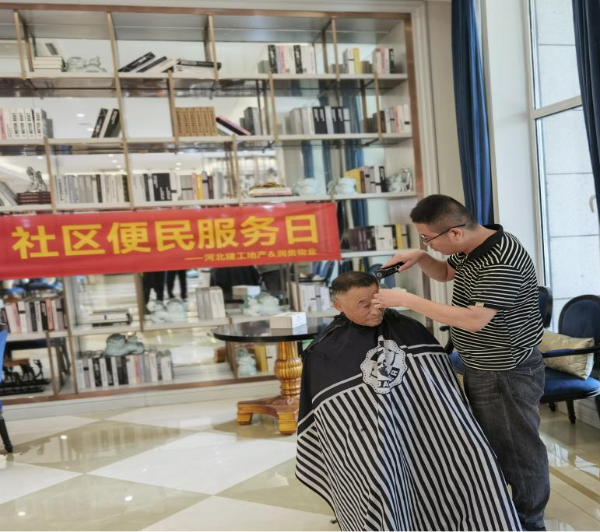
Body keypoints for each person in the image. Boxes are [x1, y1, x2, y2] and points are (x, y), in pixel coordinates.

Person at [372, 195, 548, 532]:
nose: (428, 243)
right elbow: (445, 273)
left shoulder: (501, 260)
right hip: (480, 364)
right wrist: (421, 257)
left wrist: (408, 300)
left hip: (505, 371)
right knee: (496, 445)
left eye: (428, 238)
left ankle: (530, 523)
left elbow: (473, 320)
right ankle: (505, 515)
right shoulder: (474, 246)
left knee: (518, 451)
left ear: (454, 232)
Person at [296, 271, 522, 532]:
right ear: (338, 305)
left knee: (475, 456)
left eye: (377, 300)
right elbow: (331, 417)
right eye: (364, 305)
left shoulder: (410, 329)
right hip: (369, 438)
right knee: (378, 470)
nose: (375, 310)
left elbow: (440, 389)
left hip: (430, 425)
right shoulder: (323, 352)